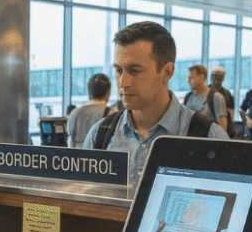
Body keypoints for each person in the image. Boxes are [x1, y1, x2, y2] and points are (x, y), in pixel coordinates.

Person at [83, 21, 227, 187]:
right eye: (118, 70)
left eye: (135, 71)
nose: (123, 83)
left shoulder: (209, 137)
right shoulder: (100, 134)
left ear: (166, 72)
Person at [68, 73, 112, 147]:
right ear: (108, 92)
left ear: (89, 91)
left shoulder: (75, 113)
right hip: (99, 154)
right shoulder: (111, 114)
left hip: (78, 154)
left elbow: (71, 143)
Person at [210, 67, 238, 137]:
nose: (217, 78)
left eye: (220, 76)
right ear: (211, 77)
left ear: (223, 78)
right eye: (215, 75)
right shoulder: (206, 92)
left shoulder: (227, 94)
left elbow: (231, 113)